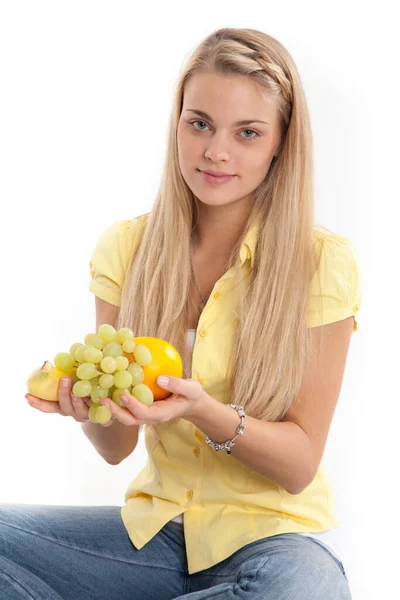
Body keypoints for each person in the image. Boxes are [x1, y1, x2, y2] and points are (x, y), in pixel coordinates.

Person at [1, 27, 362, 599]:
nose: (216, 152)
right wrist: (88, 408)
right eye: (200, 124)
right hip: (157, 538)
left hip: (278, 542)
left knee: (300, 591)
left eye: (247, 133)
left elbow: (299, 465)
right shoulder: (127, 250)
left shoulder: (320, 264)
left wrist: (203, 411)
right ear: (177, 124)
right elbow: (117, 447)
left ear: (280, 143)